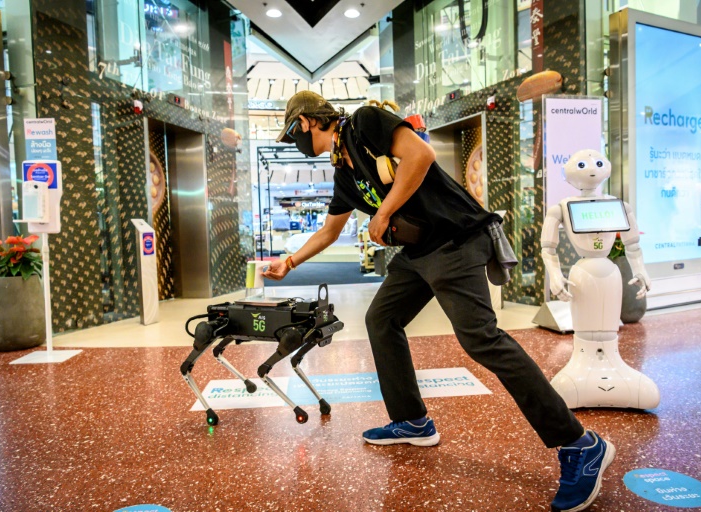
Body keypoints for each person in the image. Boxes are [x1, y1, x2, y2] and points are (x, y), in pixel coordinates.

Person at [263, 90, 615, 512]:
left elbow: (421, 156)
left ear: (304, 122)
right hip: (418, 254)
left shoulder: (365, 122)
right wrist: (289, 262)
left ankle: (579, 443)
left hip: (455, 240)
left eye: (292, 133)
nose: (296, 141)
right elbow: (329, 232)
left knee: (481, 339)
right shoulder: (344, 175)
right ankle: (412, 419)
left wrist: (383, 213)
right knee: (382, 319)